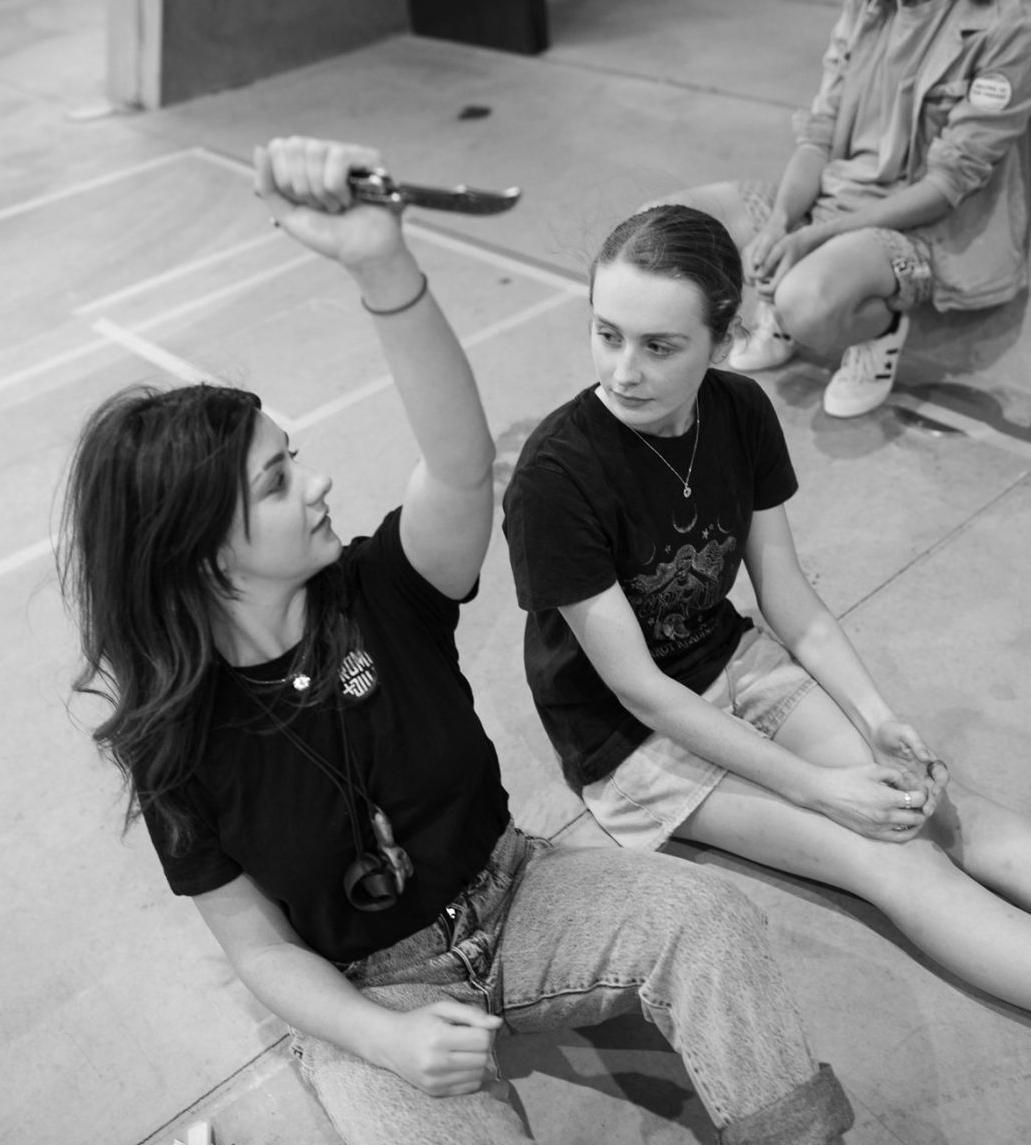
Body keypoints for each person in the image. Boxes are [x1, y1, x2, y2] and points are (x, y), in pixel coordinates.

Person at [57, 137, 854, 1145]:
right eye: (276, 481)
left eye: (295, 458)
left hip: (518, 890)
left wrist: (380, 264)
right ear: (199, 555)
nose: (319, 485)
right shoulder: (171, 742)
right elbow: (261, 954)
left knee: (709, 918)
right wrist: (380, 1042)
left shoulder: (383, 590)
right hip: (368, 992)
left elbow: (462, 463)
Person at [502, 201, 1031, 1043]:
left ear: (722, 343)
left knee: (937, 805)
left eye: (660, 346)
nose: (623, 370)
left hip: (728, 660)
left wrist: (879, 720)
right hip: (630, 739)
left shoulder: (738, 411)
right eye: (606, 333)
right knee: (884, 853)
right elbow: (640, 690)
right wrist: (822, 788)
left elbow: (789, 596)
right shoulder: (555, 479)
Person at [647, 0, 1031, 417]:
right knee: (660, 228)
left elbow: (947, 185)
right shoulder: (867, 5)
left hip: (915, 231)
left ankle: (876, 332)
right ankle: (784, 298)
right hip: (829, 197)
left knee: (805, 303)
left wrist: (814, 237)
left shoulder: (1013, 29)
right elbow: (818, 136)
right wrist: (781, 223)